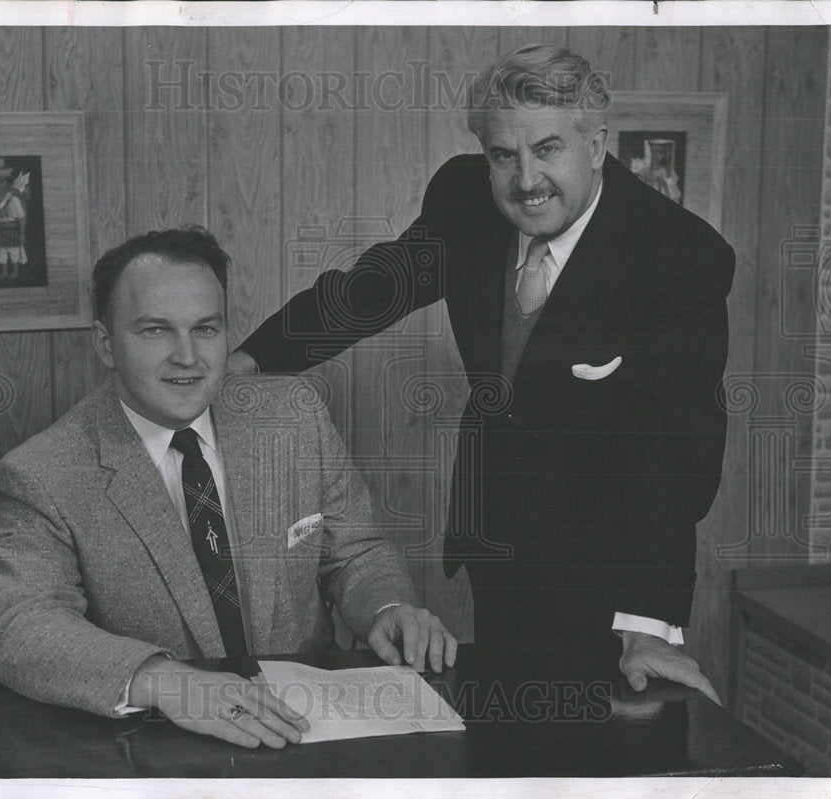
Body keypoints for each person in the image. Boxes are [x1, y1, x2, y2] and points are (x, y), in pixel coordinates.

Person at [231, 45, 734, 703]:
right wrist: (247, 360)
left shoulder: (678, 255)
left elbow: (673, 452)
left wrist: (646, 624)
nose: (526, 180)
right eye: (504, 155)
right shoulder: (465, 198)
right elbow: (370, 291)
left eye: (548, 148)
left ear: (595, 144)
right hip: (497, 533)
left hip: (609, 563)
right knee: (501, 731)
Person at [0, 227, 457, 749]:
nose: (188, 357)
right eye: (155, 331)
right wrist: (165, 680)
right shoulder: (43, 471)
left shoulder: (294, 416)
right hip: (163, 746)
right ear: (105, 344)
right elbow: (18, 624)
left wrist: (388, 609)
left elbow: (355, 553)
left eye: (206, 329)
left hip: (310, 732)